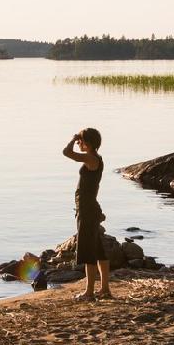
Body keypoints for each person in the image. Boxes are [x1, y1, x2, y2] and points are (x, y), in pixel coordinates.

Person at [61, 127, 110, 301]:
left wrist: (72, 138)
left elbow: (66, 152)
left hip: (87, 209)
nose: (78, 143)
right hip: (90, 207)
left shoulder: (90, 157)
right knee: (98, 250)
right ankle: (105, 289)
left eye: (81, 141)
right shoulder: (96, 158)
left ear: (87, 142)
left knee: (89, 251)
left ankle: (89, 292)